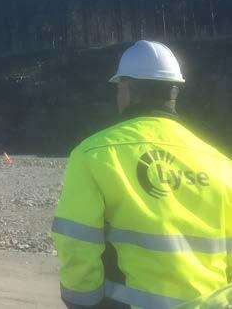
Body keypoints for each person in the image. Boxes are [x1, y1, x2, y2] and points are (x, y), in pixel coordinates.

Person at [52, 40, 232, 309]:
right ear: (174, 92)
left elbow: (77, 244)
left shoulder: (94, 155)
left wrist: (83, 303)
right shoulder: (220, 163)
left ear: (126, 89)